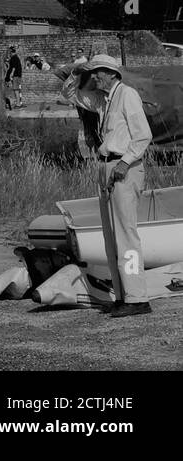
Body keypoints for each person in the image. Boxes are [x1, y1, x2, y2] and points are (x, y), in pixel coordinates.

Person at [61, 55, 154, 317]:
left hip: (123, 167)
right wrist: (78, 72)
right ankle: (124, 295)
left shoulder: (127, 95)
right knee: (111, 238)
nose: (94, 78)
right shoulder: (104, 100)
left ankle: (138, 297)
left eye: (98, 73)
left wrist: (124, 163)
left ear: (110, 73)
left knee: (126, 234)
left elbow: (142, 135)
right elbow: (71, 94)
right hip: (106, 166)